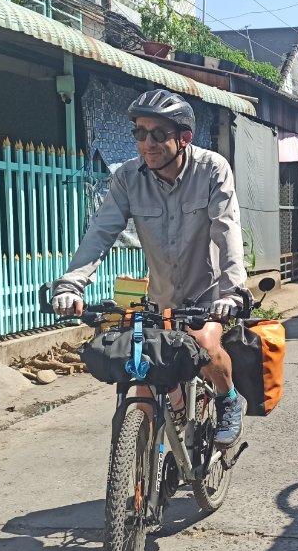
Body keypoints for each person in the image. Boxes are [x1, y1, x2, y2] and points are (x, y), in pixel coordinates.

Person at [52, 89, 250, 448]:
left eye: (157, 134)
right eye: (139, 133)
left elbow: (227, 228)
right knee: (143, 376)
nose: (146, 143)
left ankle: (229, 400)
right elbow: (101, 232)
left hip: (207, 297)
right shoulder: (128, 177)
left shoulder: (211, 170)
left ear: (184, 138)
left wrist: (233, 290)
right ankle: (147, 466)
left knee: (204, 344)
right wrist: (71, 286)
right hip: (160, 298)